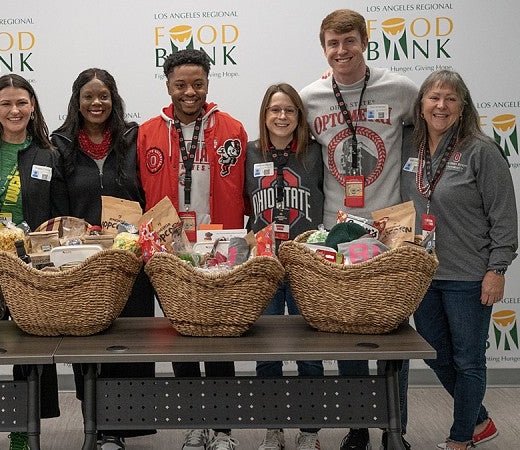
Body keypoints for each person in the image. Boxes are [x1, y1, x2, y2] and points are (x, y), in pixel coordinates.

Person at [299, 9, 417, 450]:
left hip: (390, 234)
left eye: (349, 41)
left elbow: (431, 134)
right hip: (336, 231)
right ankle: (358, 427)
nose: (341, 51)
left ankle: (396, 429)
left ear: (365, 41)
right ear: (323, 46)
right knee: (346, 336)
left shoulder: (401, 89)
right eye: (333, 42)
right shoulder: (311, 97)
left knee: (394, 336)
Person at [137, 48, 247, 450]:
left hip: (219, 248)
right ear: (167, 85)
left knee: (219, 340)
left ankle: (223, 430)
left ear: (208, 84)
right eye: (181, 84)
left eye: (197, 84)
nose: (190, 92)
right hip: (171, 251)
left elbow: (245, 191)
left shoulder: (233, 129)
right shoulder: (147, 132)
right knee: (180, 339)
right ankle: (195, 424)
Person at [400, 69, 517, 450]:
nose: (441, 105)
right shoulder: (411, 147)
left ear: (462, 106)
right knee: (435, 353)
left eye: (450, 99)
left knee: (468, 362)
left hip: (469, 275)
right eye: (434, 97)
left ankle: (461, 437)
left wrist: (496, 270)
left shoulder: (480, 150)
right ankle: (480, 419)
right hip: (424, 274)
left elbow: (504, 217)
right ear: (421, 104)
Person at [0, 73, 65, 450]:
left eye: (21, 103)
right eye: (6, 103)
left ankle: (24, 425)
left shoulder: (48, 154)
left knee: (26, 345)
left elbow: (58, 213)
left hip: (29, 260)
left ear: (32, 106)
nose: (14, 110)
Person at [50, 68, 156, 450]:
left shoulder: (135, 139)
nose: (97, 103)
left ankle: (122, 429)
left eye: (104, 96)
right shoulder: (59, 144)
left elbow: (149, 191)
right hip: (83, 263)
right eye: (89, 96)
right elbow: (58, 207)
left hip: (130, 263)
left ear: (114, 99)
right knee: (90, 346)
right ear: (77, 101)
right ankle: (95, 425)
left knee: (129, 343)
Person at [246, 84, 324, 450]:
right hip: (264, 267)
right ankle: (272, 429)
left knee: (310, 352)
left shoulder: (315, 154)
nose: (281, 117)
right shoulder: (250, 153)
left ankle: (310, 432)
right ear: (264, 115)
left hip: (307, 266)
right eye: (274, 109)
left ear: (299, 115)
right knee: (268, 353)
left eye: (289, 110)